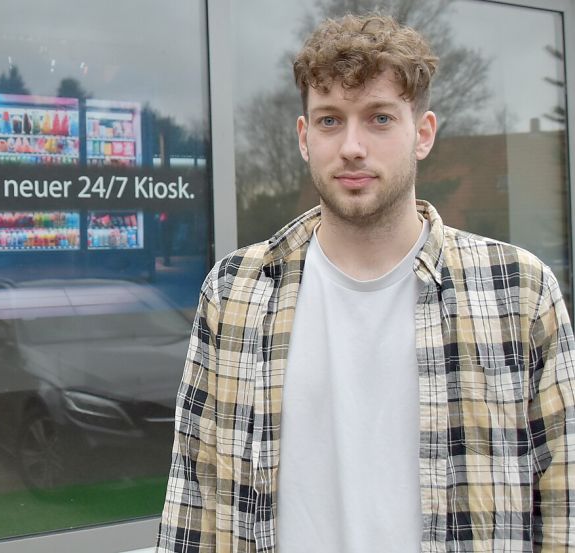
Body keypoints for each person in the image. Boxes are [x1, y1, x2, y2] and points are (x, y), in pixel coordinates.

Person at [157, 13, 575, 552]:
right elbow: (190, 505)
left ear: (422, 134)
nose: (352, 146)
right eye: (330, 120)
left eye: (379, 118)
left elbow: (565, 505)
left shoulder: (518, 291)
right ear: (305, 138)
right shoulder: (236, 292)